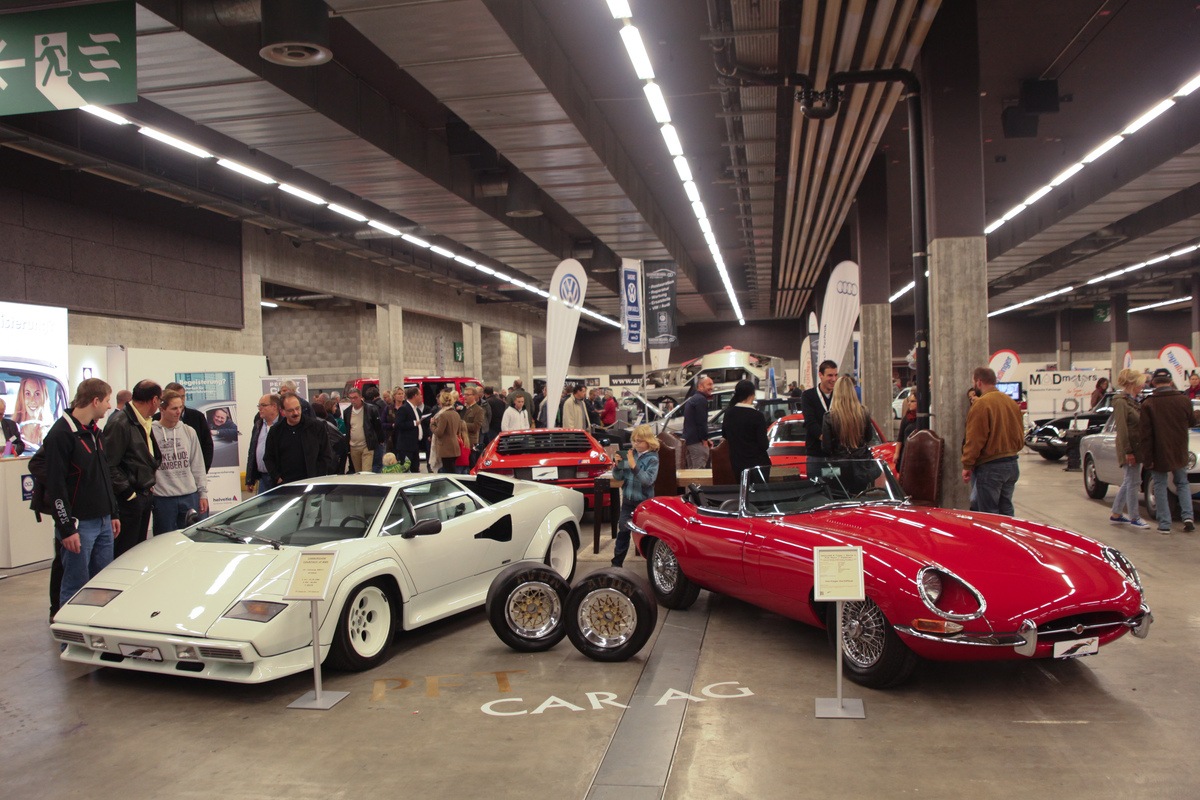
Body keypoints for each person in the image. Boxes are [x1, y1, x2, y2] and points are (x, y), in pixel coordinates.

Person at [42, 378, 119, 619]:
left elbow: (104, 474)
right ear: (95, 401)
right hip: (79, 525)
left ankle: (97, 634)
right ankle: (71, 639)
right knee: (75, 585)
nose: (109, 406)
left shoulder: (95, 432)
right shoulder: (60, 435)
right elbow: (56, 487)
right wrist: (66, 529)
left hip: (104, 520)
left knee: (102, 584)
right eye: (107, 400)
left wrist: (113, 513)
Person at [104, 379, 163, 558]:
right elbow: (109, 464)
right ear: (154, 400)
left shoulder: (143, 421)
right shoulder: (120, 422)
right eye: (160, 401)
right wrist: (129, 494)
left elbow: (147, 457)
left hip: (143, 495)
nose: (160, 405)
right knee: (125, 553)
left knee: (138, 552)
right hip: (129, 500)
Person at [1139, 368, 1199, 533]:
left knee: (1160, 484)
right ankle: (1188, 517)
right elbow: (1192, 422)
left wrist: (1147, 457)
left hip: (1158, 452)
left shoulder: (1148, 403)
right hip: (1179, 450)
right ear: (1171, 381)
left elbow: (1145, 434)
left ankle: (1165, 524)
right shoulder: (1184, 400)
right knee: (1182, 483)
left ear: (1153, 382)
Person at [961, 367, 1025, 516]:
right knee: (1006, 508)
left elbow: (975, 438)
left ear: (978, 382)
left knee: (989, 514)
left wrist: (967, 464)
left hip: (991, 466)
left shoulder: (982, 404)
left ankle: (992, 540)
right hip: (1012, 465)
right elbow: (1020, 434)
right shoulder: (1010, 402)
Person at [151, 389, 208, 535]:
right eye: (174, 408)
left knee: (190, 538)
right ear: (162, 409)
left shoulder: (189, 431)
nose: (178, 412)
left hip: (188, 496)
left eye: (181, 407)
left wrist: (202, 494)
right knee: (164, 541)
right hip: (163, 498)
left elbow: (197, 464)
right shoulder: (151, 432)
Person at [611, 424, 659, 568]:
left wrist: (634, 466)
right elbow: (618, 477)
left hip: (644, 503)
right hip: (627, 501)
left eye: (639, 441)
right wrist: (618, 465)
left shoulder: (653, 459)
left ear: (648, 441)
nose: (635, 444)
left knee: (647, 534)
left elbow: (648, 480)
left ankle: (653, 565)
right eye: (634, 441)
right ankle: (616, 564)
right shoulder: (631, 454)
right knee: (623, 532)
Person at [1108, 369, 1149, 528]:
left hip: (1136, 445)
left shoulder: (1132, 400)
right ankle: (1134, 516)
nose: (1143, 385)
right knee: (1133, 482)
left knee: (1130, 480)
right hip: (1130, 447)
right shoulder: (1121, 401)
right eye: (1140, 382)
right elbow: (1122, 428)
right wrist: (1128, 451)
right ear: (1132, 383)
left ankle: (1117, 512)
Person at [265, 393, 334, 485]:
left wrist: (318, 477)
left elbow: (326, 454)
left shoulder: (316, 427)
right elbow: (268, 457)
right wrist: (277, 478)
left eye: (297, 408)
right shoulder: (275, 431)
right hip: (285, 485)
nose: (296, 413)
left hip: (311, 483)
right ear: (282, 411)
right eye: (290, 410)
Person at [721, 379, 770, 480]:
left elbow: (725, 435)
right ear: (752, 394)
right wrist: (767, 439)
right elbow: (763, 445)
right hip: (757, 465)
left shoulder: (728, 413)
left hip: (737, 464)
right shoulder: (757, 416)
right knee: (758, 494)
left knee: (743, 493)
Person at [161, 382, 214, 472]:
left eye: (182, 396)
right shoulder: (155, 422)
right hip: (166, 474)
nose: (180, 400)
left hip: (192, 473)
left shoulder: (197, 417)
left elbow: (207, 445)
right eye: (176, 397)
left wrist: (203, 470)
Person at [821, 376, 874, 458]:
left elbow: (826, 447)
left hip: (840, 463)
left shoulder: (830, 416)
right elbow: (869, 437)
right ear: (853, 391)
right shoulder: (864, 412)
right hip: (862, 462)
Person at [801, 361, 838, 467]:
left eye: (836, 375)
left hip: (837, 454)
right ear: (820, 375)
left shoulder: (839, 395)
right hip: (816, 454)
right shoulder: (808, 396)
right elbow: (810, 422)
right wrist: (827, 440)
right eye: (830, 375)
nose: (834, 379)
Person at [343, 387, 384, 474]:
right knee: (358, 472)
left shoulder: (371, 409)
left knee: (366, 472)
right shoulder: (347, 412)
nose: (353, 400)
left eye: (355, 397)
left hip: (367, 445)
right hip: (353, 446)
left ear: (360, 397)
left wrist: (380, 440)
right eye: (351, 398)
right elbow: (348, 428)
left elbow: (377, 426)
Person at [246, 394, 281, 494]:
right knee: (263, 509)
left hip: (278, 479)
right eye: (259, 406)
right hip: (263, 478)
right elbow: (252, 451)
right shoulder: (258, 425)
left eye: (263, 405)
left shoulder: (283, 425)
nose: (260, 409)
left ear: (274, 406)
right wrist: (250, 478)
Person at [430, 391, 466, 474]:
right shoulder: (456, 414)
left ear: (441, 402)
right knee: (451, 469)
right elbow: (458, 430)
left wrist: (432, 424)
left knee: (449, 471)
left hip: (446, 448)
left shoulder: (443, 415)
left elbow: (439, 432)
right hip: (455, 446)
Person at [682, 375, 715, 468]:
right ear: (700, 386)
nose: (711, 387)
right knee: (699, 474)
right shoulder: (701, 400)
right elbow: (701, 421)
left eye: (712, 385)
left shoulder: (692, 399)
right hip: (697, 442)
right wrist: (704, 440)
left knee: (691, 473)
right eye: (709, 384)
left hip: (688, 441)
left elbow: (691, 422)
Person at [14, 375, 54, 448]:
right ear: (22, 397)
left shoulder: (52, 431)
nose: (32, 400)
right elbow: (6, 454)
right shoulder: (11, 429)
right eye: (27, 394)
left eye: (37, 394)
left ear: (44, 397)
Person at [393, 387, 423, 473]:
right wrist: (413, 423)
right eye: (420, 394)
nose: (421, 397)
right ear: (415, 396)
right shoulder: (404, 408)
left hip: (415, 445)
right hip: (406, 446)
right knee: (405, 469)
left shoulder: (416, 409)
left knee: (415, 469)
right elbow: (398, 425)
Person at [896, 393, 919, 470]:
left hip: (918, 453)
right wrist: (897, 454)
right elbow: (900, 437)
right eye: (909, 401)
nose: (909, 403)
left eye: (912, 401)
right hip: (906, 452)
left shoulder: (923, 419)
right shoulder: (907, 418)